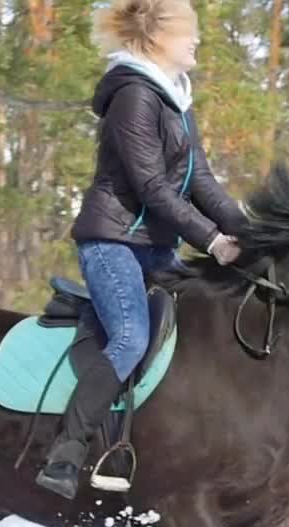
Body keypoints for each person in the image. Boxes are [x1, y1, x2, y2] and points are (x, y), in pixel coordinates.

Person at [35, 0, 249, 499]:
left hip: (153, 249)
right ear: (158, 39)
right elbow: (153, 187)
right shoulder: (134, 96)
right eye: (188, 34)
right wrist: (213, 240)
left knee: (204, 325)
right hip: (112, 245)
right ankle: (66, 453)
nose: (196, 42)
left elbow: (203, 183)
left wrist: (254, 232)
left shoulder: (177, 101)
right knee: (131, 339)